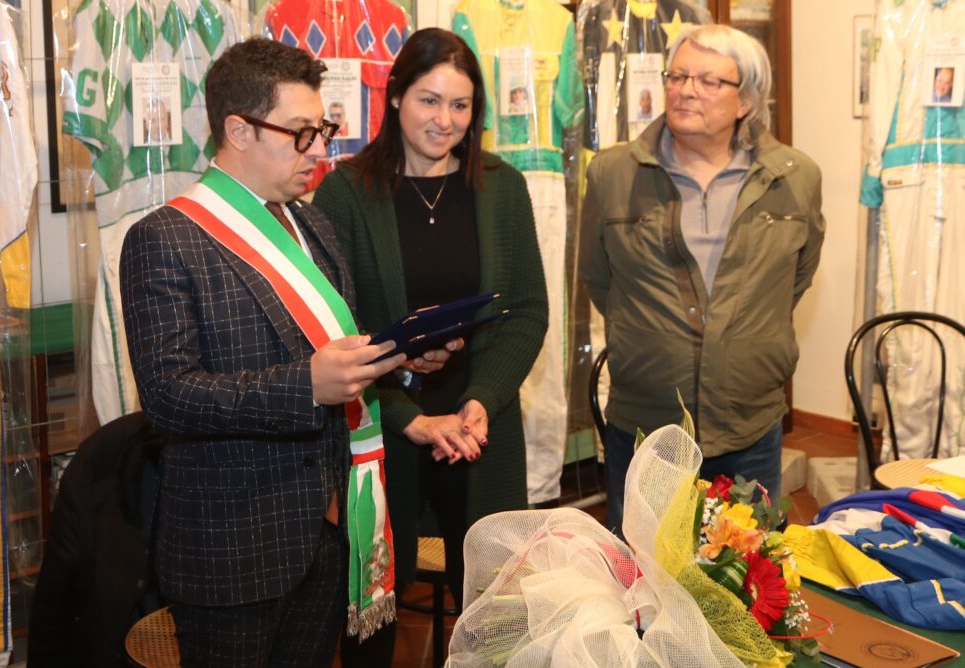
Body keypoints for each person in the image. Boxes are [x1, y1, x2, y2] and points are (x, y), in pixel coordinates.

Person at [119, 38, 458, 666]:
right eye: (303, 133)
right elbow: (168, 396)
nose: (321, 149)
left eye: (322, 129)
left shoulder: (312, 226)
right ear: (239, 130)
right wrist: (304, 386)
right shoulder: (163, 238)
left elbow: (334, 350)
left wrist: (394, 360)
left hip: (326, 534)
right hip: (233, 547)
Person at [314, 26, 548, 663]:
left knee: (492, 609)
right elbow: (333, 328)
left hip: (479, 427)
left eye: (460, 105)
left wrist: (480, 402)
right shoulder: (345, 194)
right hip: (385, 426)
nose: (444, 120)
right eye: (428, 100)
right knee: (375, 611)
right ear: (394, 98)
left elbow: (525, 313)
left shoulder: (502, 189)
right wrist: (411, 411)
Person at [580, 24, 825, 537]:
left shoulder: (794, 178)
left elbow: (792, 283)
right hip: (648, 424)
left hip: (750, 424)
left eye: (709, 81)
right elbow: (600, 282)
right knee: (643, 586)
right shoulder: (612, 174)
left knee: (747, 585)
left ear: (747, 101)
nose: (687, 90)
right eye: (679, 75)